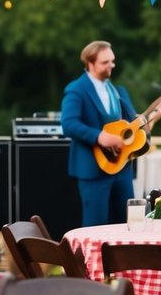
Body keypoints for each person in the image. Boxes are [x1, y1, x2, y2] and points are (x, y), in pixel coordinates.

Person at [61, 40, 153, 227]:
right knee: (96, 225)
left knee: (128, 224)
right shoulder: (76, 89)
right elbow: (69, 124)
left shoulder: (118, 91)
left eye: (112, 60)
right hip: (92, 169)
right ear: (90, 63)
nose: (111, 65)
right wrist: (100, 137)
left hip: (122, 168)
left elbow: (133, 123)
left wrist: (153, 117)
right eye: (105, 62)